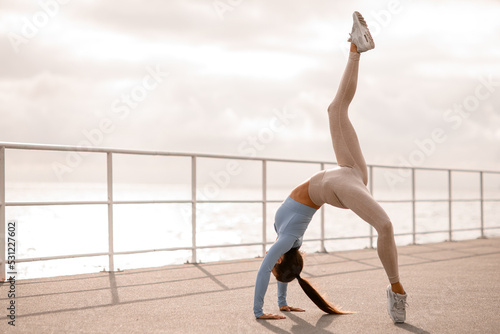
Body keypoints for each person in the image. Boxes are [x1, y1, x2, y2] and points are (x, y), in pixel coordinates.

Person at [253, 11, 408, 323]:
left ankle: (355, 47)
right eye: (275, 264)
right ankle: (397, 293)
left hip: (348, 171)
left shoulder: (287, 242)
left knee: (335, 109)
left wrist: (282, 303)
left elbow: (281, 269)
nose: (269, 261)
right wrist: (259, 312)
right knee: (386, 227)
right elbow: (266, 268)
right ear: (281, 258)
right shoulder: (285, 242)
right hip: (338, 185)